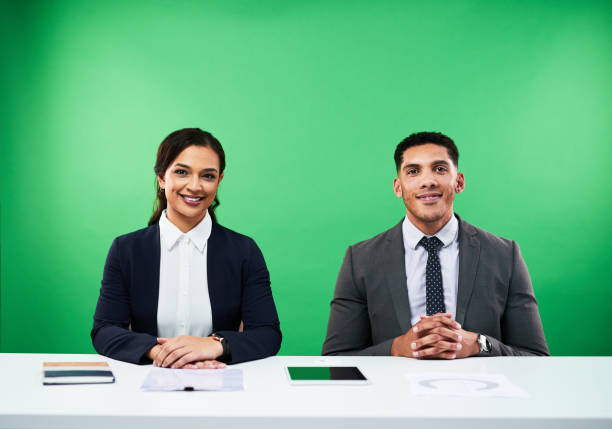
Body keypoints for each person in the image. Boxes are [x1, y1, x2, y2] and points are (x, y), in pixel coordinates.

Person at [322, 131, 549, 358]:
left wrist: (479, 344)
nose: (428, 181)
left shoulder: (505, 256)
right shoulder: (360, 260)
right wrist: (396, 348)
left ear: (459, 182)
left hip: (480, 392)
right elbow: (336, 359)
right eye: (413, 171)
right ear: (398, 187)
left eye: (440, 169)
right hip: (392, 392)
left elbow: (536, 358)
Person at [92, 128, 281, 368]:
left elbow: (268, 334)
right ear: (162, 177)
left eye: (208, 176)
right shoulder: (126, 249)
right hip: (147, 384)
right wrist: (161, 352)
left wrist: (215, 346)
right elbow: (104, 330)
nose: (195, 186)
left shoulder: (244, 250)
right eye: (182, 172)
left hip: (220, 382)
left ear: (219, 181)